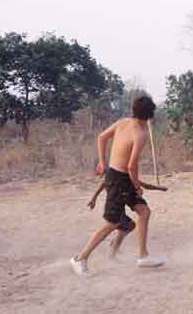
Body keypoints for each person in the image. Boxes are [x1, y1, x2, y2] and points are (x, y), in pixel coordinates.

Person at [70, 96, 164, 276]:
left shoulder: (122, 122)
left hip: (119, 176)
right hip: (119, 178)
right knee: (111, 223)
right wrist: (137, 187)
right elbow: (131, 166)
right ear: (150, 115)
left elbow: (101, 137)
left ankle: (143, 256)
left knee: (144, 211)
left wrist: (102, 162)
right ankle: (80, 258)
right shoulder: (140, 134)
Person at [86, 175, 167, 260]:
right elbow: (103, 184)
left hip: (119, 210)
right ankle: (90, 255)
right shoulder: (117, 178)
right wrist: (94, 198)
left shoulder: (128, 178)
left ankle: (113, 250)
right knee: (120, 226)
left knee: (129, 226)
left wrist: (159, 188)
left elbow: (145, 185)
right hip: (115, 210)